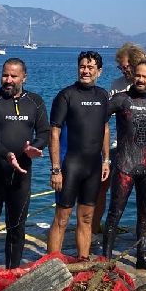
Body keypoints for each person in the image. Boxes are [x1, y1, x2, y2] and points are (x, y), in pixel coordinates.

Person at [0, 58, 50, 268]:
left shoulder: (35, 101)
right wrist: (7, 154)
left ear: (24, 77)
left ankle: (11, 275)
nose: (8, 80)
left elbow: (44, 132)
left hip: (21, 176)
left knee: (16, 228)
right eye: (5, 75)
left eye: (14, 76)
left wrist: (35, 146)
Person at [96, 43, 146, 246]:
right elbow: (104, 116)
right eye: (121, 67)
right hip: (122, 147)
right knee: (105, 188)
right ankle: (96, 230)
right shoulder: (118, 85)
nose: (124, 70)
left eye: (125, 66)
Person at [47, 51, 112, 260]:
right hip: (70, 166)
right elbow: (54, 132)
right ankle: (51, 265)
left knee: (87, 217)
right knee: (62, 218)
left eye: (90, 67)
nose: (86, 71)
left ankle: (83, 262)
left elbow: (105, 128)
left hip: (93, 166)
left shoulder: (102, 95)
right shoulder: (66, 95)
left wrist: (106, 159)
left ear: (99, 71)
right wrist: (56, 169)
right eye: (83, 66)